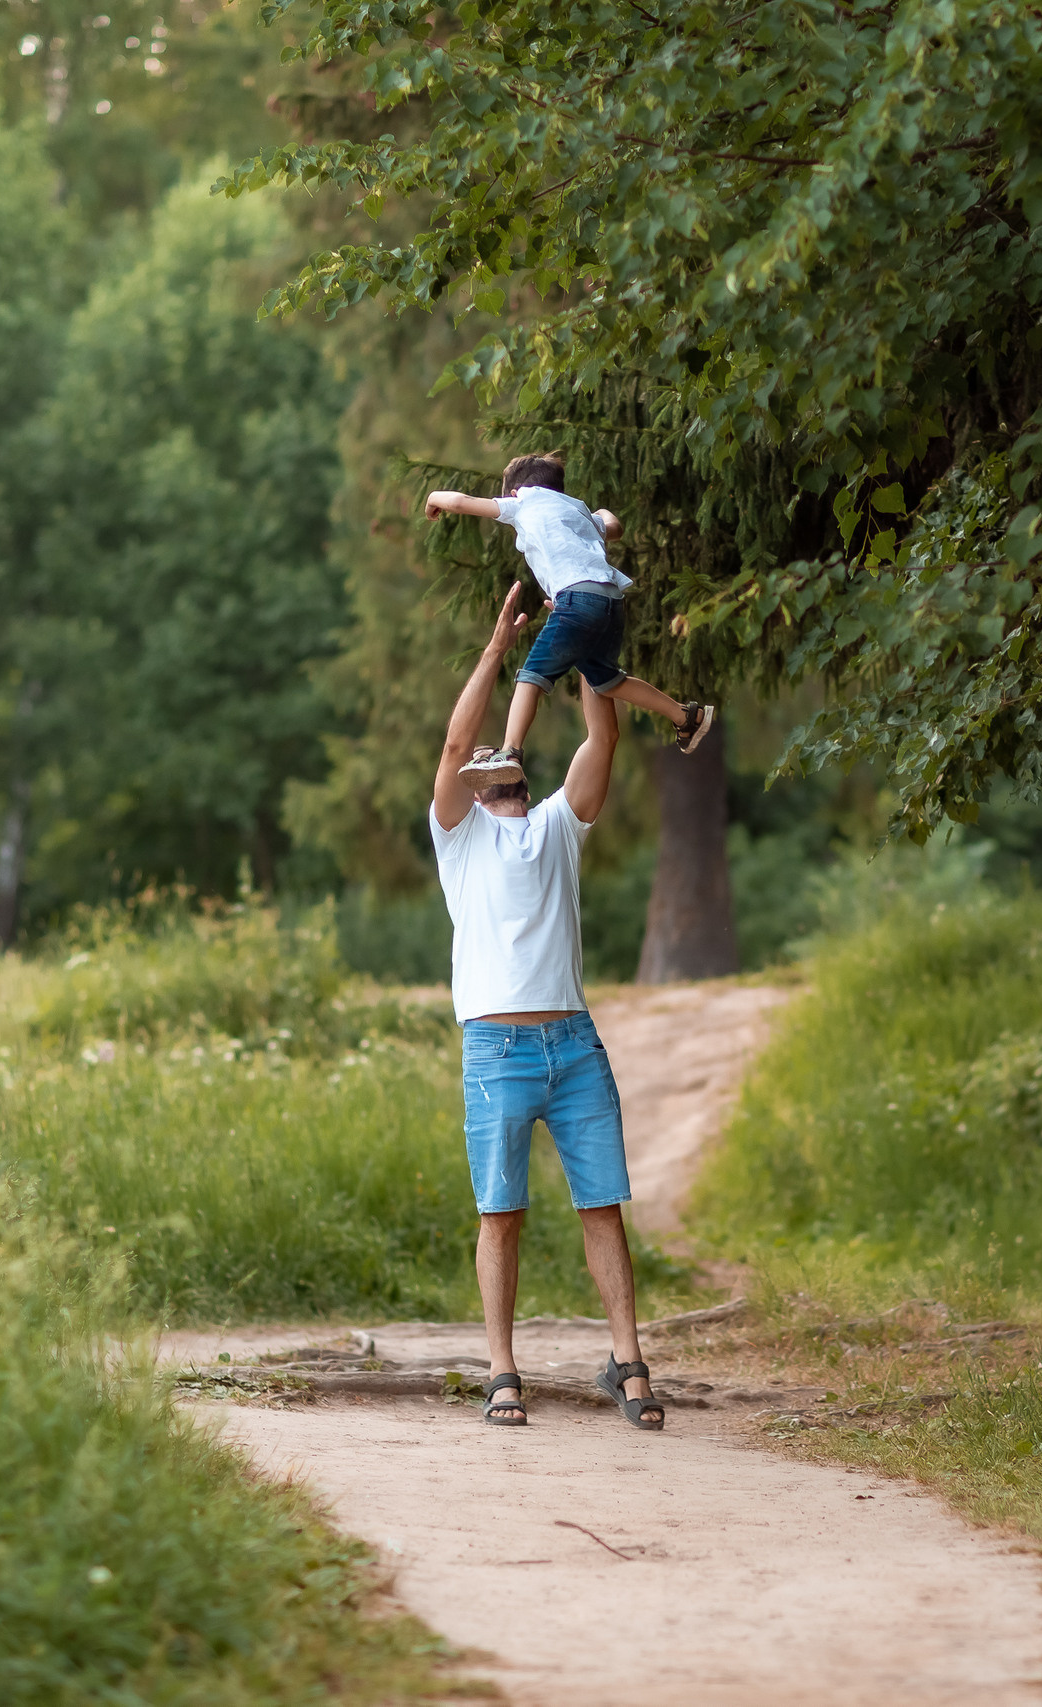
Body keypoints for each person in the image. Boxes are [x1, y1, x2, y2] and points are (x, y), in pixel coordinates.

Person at [428, 583, 666, 1431]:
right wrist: (500, 647)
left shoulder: (559, 822)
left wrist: (583, 649)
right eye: (486, 759)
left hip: (573, 1045)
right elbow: (460, 737)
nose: (496, 753)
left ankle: (628, 1363)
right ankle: (502, 1370)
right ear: (474, 781)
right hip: (496, 1052)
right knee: (502, 1215)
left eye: (506, 756)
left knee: (601, 1206)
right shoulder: (459, 835)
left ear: (522, 776)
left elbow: (603, 735)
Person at [424, 452, 714, 785]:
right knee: (608, 680)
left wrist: (434, 499)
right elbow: (615, 527)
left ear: (516, 491)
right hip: (611, 601)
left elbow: (460, 502)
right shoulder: (576, 509)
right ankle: (685, 716)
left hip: (576, 599)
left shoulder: (523, 503)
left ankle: (510, 751)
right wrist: (600, 513)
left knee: (531, 674)